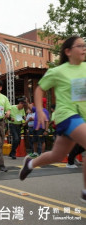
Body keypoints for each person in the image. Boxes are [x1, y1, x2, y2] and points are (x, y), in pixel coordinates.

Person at [19, 36, 86, 203]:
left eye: (84, 45)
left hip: (82, 118)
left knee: (57, 155)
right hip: (67, 115)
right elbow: (40, 89)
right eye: (79, 46)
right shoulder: (58, 71)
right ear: (68, 51)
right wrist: (40, 111)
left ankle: (30, 164)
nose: (84, 48)